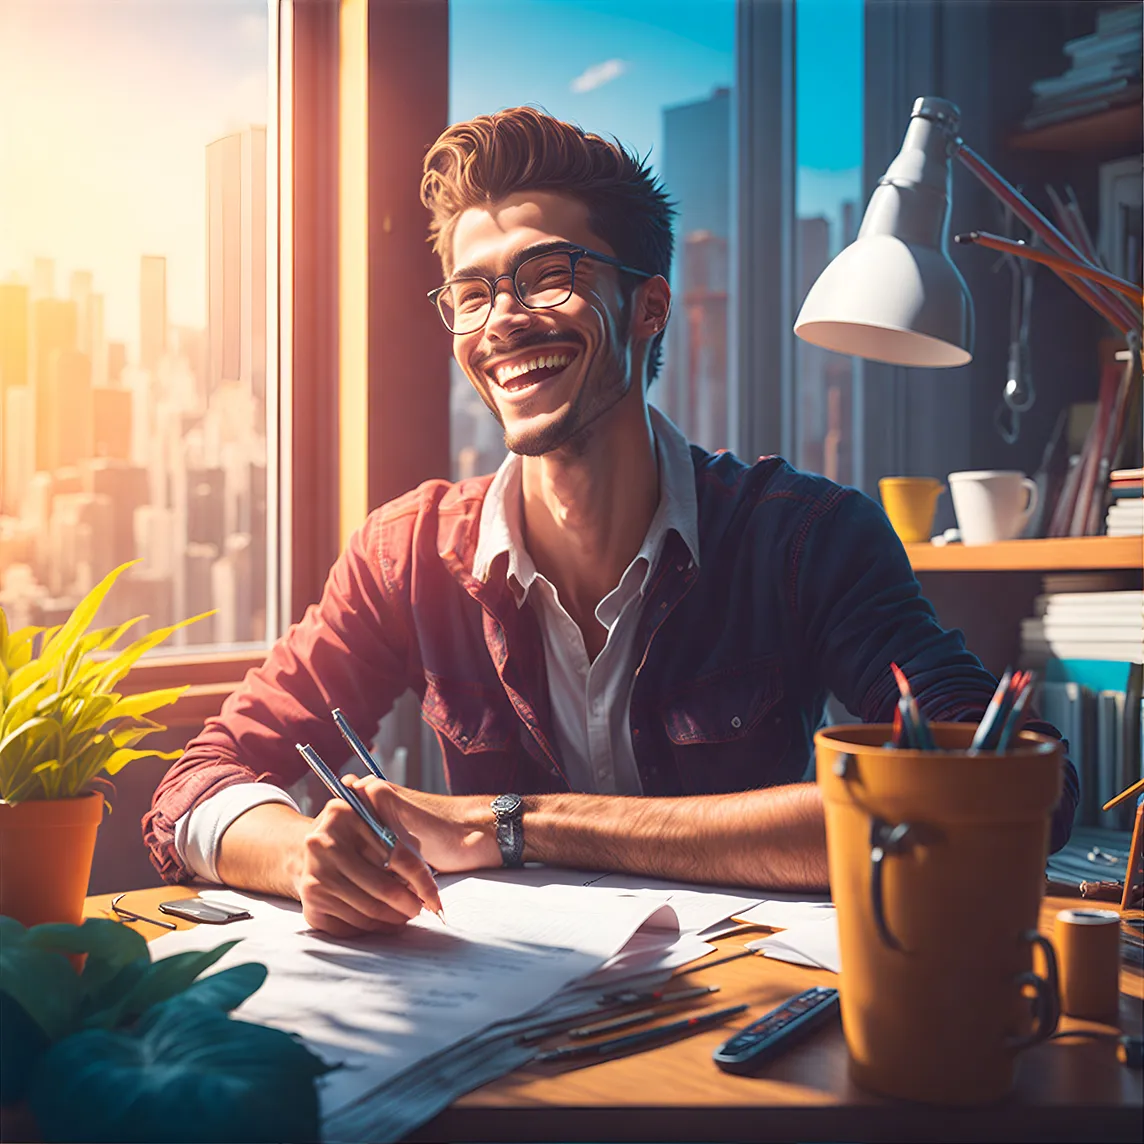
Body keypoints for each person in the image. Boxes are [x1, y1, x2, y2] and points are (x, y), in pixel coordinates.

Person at [145, 107, 1077, 937]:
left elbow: (1012, 792)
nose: (502, 321)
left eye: (549, 275)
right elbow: (197, 783)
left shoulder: (803, 537)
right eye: (472, 294)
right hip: (501, 1039)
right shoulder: (408, 554)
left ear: (650, 306)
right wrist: (307, 853)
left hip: (737, 1034)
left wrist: (513, 825)